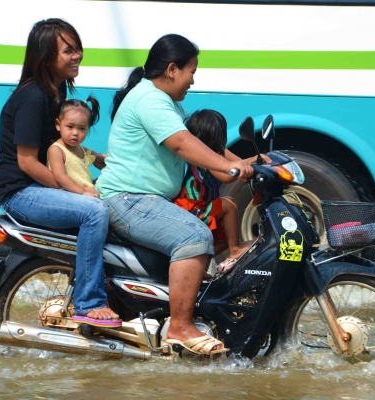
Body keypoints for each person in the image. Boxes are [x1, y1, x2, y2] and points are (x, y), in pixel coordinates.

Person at [96, 34, 255, 355]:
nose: (193, 81)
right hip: (129, 200)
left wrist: (249, 163)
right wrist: (234, 170)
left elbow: (203, 144)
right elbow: (182, 143)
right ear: (172, 69)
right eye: (191, 71)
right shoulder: (150, 100)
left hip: (146, 200)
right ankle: (181, 327)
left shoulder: (167, 103)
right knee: (195, 237)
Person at [0, 19, 120, 328]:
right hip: (19, 192)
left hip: (38, 187)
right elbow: (27, 163)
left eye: (78, 49)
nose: (77, 56)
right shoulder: (33, 98)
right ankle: (90, 303)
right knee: (92, 212)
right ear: (45, 55)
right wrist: (74, 190)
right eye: (68, 50)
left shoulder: (56, 91)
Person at [174, 110, 269, 274]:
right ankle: (235, 250)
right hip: (191, 210)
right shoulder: (202, 156)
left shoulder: (217, 151)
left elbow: (237, 163)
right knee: (229, 204)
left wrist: (254, 163)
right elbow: (226, 175)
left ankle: (200, 265)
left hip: (203, 207)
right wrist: (251, 163)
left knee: (223, 238)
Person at [47, 95, 106, 198]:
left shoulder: (82, 150)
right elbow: (60, 177)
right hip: (68, 195)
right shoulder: (56, 150)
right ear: (58, 124)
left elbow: (102, 158)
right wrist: (82, 191)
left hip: (86, 193)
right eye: (70, 127)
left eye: (82, 129)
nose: (75, 133)